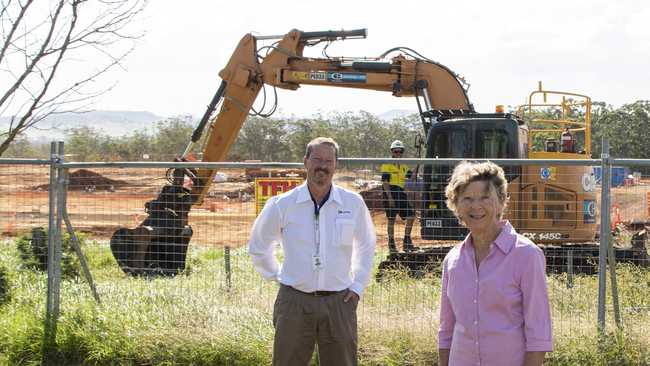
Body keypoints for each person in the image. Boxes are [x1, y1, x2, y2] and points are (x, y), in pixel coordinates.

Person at [248, 137, 376, 366]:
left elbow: (366, 246)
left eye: (329, 160)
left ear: (336, 164)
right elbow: (259, 246)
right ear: (305, 162)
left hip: (340, 302)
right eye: (317, 159)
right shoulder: (282, 204)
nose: (323, 166)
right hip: (295, 302)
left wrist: (357, 286)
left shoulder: (352, 203)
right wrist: (278, 277)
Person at [438, 161, 553, 366]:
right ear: (455, 205)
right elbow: (446, 331)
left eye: (484, 197)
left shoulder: (526, 255)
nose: (476, 206)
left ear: (501, 201)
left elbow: (538, 335)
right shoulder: (452, 261)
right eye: (467, 199)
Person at [380, 140, 416, 253]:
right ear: (392, 152)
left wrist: (419, 163)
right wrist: (390, 198)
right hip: (390, 192)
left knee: (411, 216)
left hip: (400, 192)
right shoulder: (387, 164)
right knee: (391, 219)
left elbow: (411, 177)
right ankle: (391, 244)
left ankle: (407, 241)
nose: (398, 153)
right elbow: (385, 182)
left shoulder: (403, 166)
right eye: (396, 151)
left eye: (400, 151)